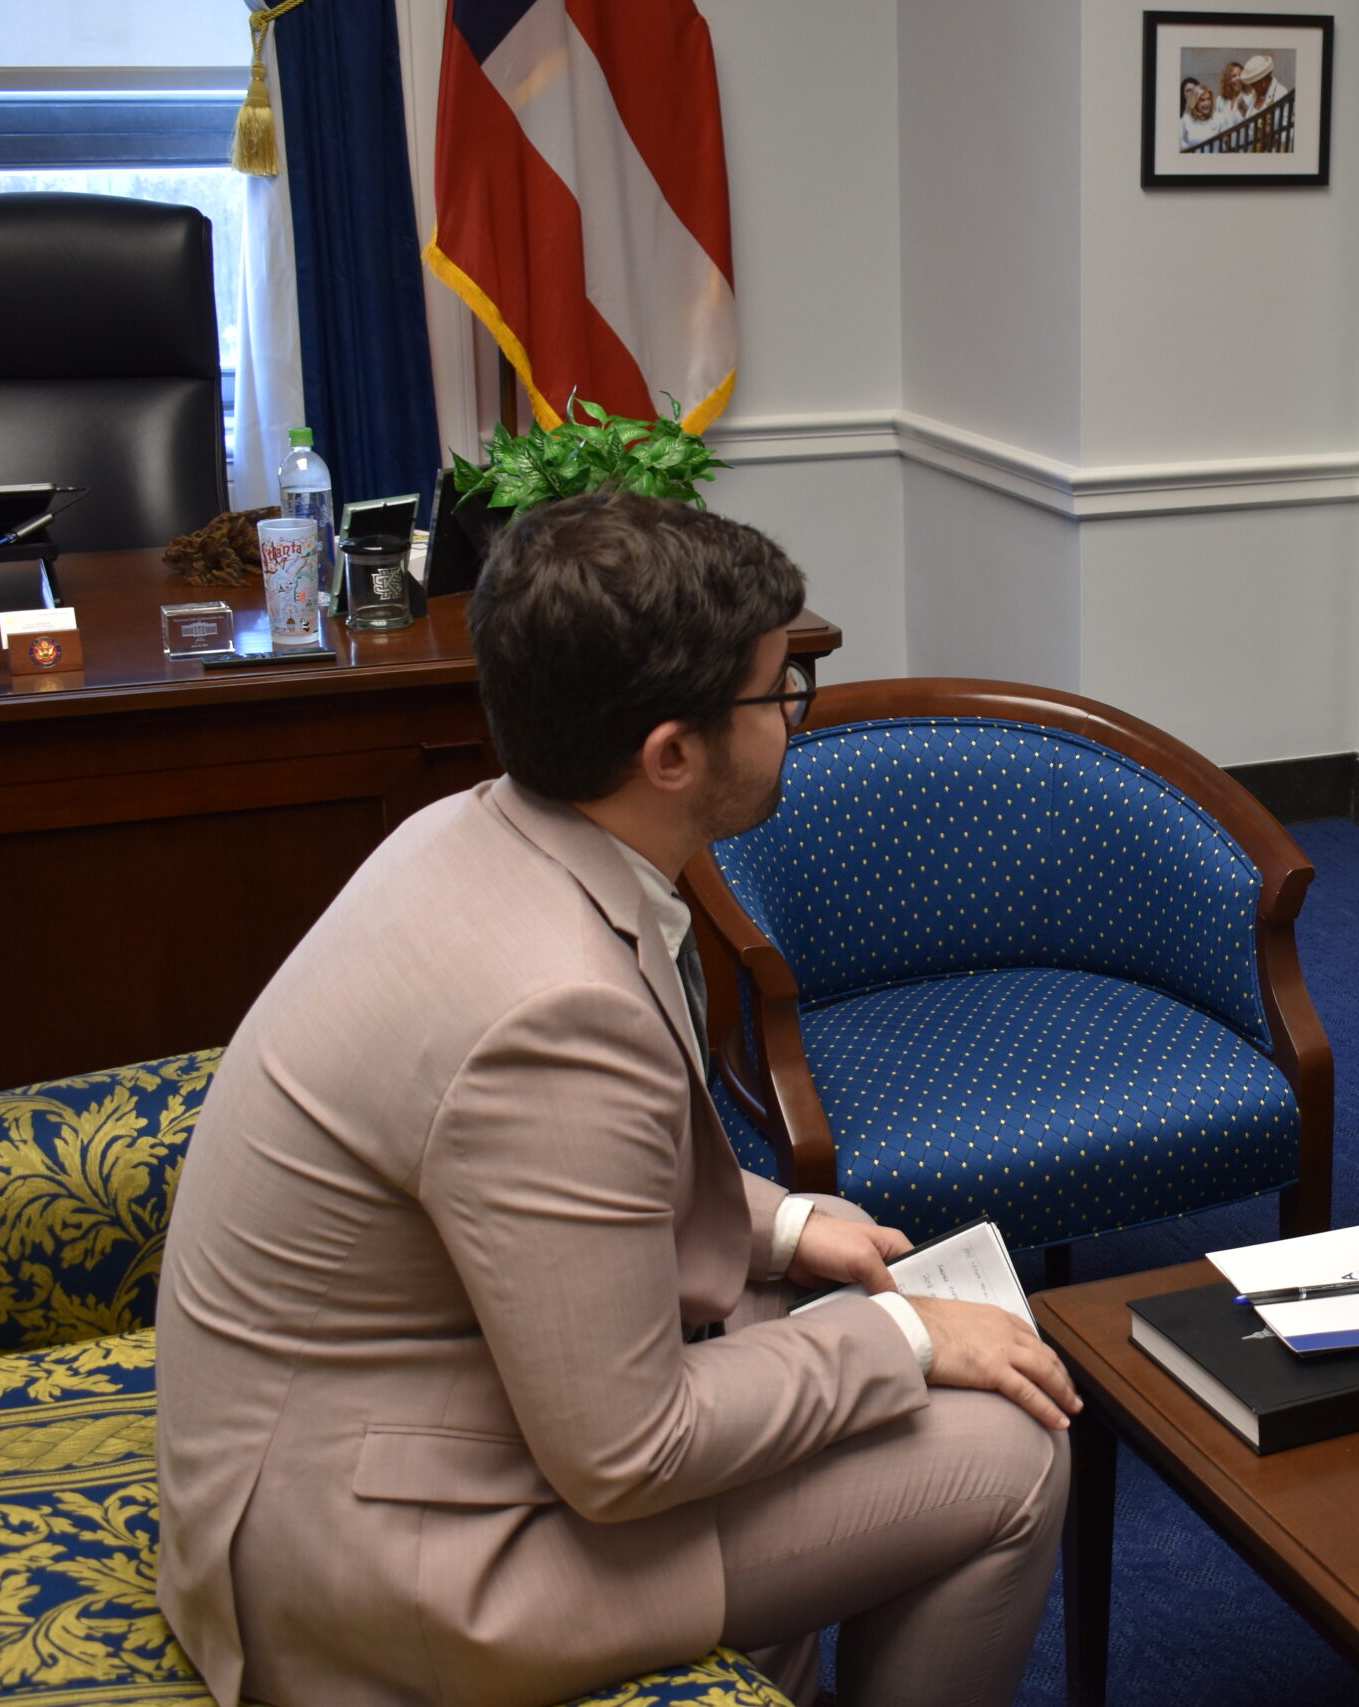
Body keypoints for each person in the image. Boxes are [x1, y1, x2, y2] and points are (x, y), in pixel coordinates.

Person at [156, 493, 1079, 1707]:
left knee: (779, 1304)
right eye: (775, 695)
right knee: (1015, 1455)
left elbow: (545, 1179)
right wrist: (905, 1338)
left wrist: (788, 1226)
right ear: (671, 755)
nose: (792, 723)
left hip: (372, 1417)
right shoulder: (551, 1012)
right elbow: (626, 1453)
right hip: (390, 1558)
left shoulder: (480, 832)